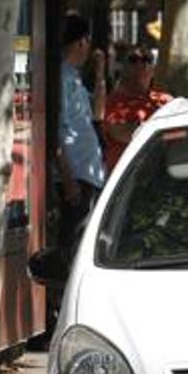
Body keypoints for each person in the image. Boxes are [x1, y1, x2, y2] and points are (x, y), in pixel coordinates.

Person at [57, 14, 106, 253]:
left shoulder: (73, 78)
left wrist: (99, 75)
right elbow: (57, 132)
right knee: (73, 247)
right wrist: (68, 179)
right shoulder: (62, 79)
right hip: (76, 176)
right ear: (81, 42)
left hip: (88, 175)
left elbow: (98, 113)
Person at [103, 46, 173, 172]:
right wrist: (160, 129)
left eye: (147, 59)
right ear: (124, 68)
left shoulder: (166, 101)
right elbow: (120, 133)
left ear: (153, 70)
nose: (140, 63)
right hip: (126, 178)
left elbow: (178, 135)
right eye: (134, 59)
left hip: (160, 173)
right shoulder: (114, 101)